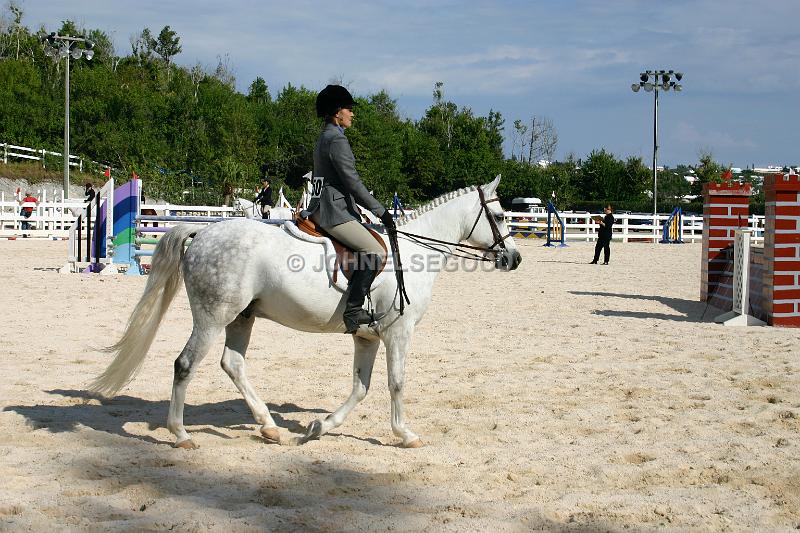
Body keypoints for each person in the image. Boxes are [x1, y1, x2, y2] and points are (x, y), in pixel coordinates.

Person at [306, 84, 395, 334]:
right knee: (375, 250)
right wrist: (381, 212)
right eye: (348, 109)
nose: (352, 114)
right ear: (337, 112)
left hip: (319, 207)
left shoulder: (324, 136)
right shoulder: (337, 139)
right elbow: (353, 183)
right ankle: (353, 310)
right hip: (332, 211)